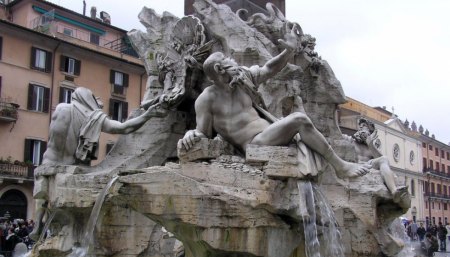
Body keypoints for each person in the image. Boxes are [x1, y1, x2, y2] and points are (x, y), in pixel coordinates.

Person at [178, 25, 370, 179]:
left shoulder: (243, 79)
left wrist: (288, 52)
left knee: (299, 121)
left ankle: (339, 165)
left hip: (270, 131)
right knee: (299, 119)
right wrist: (190, 134)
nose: (233, 61)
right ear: (220, 69)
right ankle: (340, 166)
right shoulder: (207, 99)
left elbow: (269, 69)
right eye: (228, 59)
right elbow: (202, 133)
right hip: (255, 144)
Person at [30, 87, 167, 241]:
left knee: (43, 196)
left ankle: (38, 226)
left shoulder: (61, 109)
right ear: (88, 99)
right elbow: (123, 127)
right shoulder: (92, 117)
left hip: (49, 163)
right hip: (73, 167)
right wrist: (149, 114)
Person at [345, 118, 410, 209]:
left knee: (384, 159)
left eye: (364, 126)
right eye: (359, 127)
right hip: (355, 166)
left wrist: (370, 144)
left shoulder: (371, 146)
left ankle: (394, 191)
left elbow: (383, 160)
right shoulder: (351, 140)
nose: (360, 128)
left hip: (368, 165)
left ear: (370, 131)